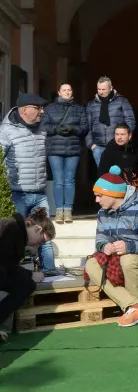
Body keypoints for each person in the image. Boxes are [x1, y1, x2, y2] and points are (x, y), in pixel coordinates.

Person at [85, 166, 138, 328]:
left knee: (128, 259)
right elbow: (99, 240)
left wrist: (129, 246)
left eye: (99, 196)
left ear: (112, 194)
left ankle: (135, 309)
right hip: (120, 261)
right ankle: (134, 306)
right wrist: (104, 246)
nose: (97, 200)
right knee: (91, 264)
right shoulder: (102, 213)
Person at [0, 93, 56, 271]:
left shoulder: (42, 128)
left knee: (45, 232)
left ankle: (50, 270)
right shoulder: (6, 131)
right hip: (18, 193)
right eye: (38, 108)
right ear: (24, 110)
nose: (42, 111)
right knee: (17, 235)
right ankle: (17, 272)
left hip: (40, 192)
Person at [0, 208, 55, 341]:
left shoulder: (18, 235)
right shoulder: (10, 228)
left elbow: (10, 267)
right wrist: (30, 274)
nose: (38, 246)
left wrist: (29, 276)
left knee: (27, 285)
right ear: (37, 229)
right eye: (41, 241)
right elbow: (5, 263)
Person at [42, 83, 89, 224]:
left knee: (69, 180)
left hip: (73, 148)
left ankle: (68, 210)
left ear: (72, 92)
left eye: (69, 90)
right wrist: (56, 129)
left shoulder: (79, 109)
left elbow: (85, 127)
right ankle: (58, 210)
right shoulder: (49, 108)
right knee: (58, 180)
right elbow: (43, 126)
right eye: (64, 90)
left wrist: (73, 128)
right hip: (54, 149)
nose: (67, 92)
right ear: (59, 92)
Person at [85, 76, 136, 167]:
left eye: (104, 89)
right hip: (98, 147)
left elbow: (130, 121)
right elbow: (87, 126)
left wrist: (124, 139)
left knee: (118, 175)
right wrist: (91, 145)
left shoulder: (122, 101)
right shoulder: (91, 105)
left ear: (111, 88)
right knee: (104, 177)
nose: (101, 92)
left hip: (118, 145)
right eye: (99, 89)